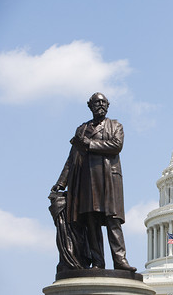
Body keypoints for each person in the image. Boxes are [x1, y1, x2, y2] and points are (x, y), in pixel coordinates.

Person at [52, 92, 136, 272]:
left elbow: (116, 146)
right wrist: (61, 183)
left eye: (104, 102)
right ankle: (98, 262)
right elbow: (72, 159)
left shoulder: (115, 126)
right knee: (92, 223)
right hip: (87, 182)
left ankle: (120, 260)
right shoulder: (81, 129)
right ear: (90, 106)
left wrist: (89, 144)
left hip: (108, 179)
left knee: (113, 221)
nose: (101, 105)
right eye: (97, 103)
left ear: (108, 105)